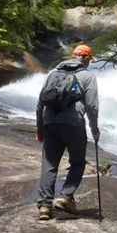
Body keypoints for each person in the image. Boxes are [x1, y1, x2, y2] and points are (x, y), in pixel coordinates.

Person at [35, 44, 100, 221]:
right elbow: (92, 106)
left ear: (73, 56)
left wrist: (40, 127)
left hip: (50, 123)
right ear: (86, 58)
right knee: (78, 162)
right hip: (73, 124)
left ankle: (45, 206)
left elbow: (40, 102)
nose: (89, 63)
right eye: (90, 60)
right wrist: (94, 128)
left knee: (49, 164)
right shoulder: (87, 76)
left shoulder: (53, 72)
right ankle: (65, 197)